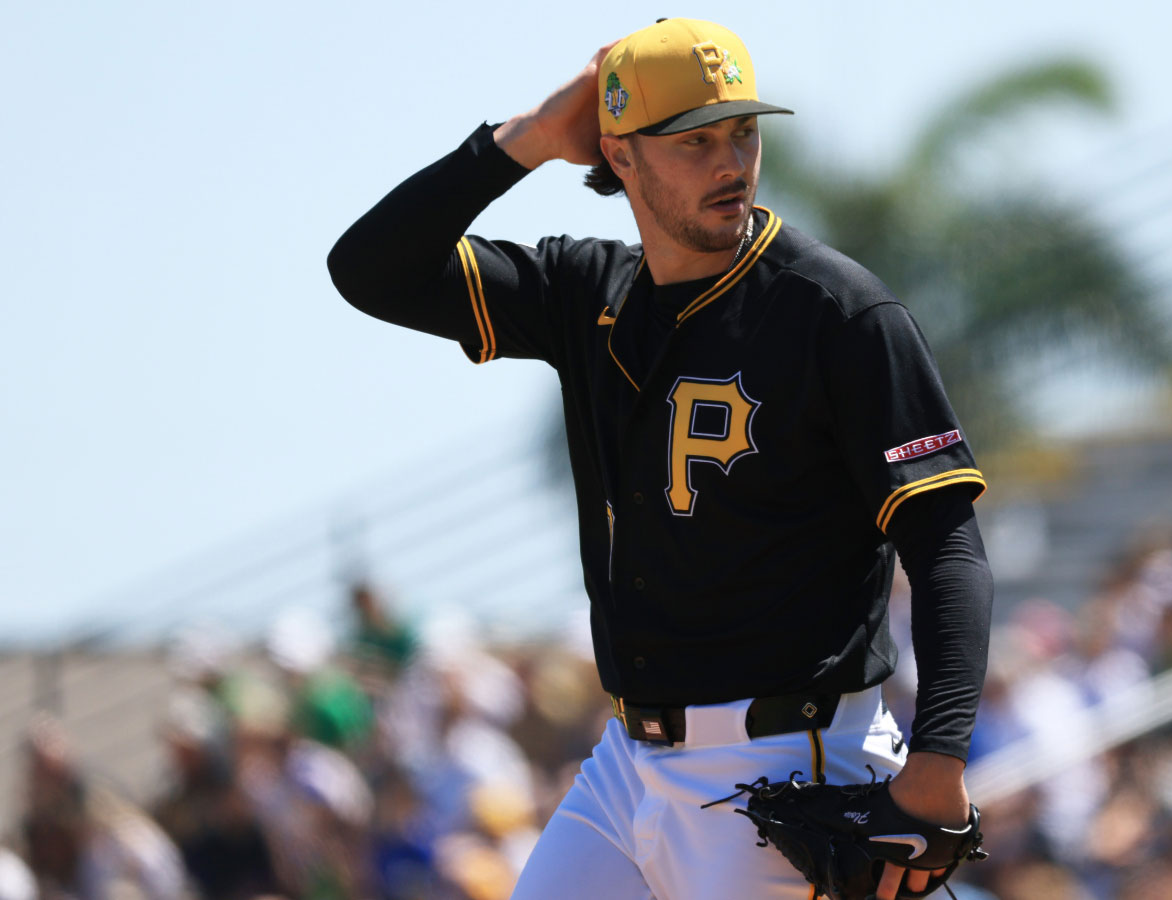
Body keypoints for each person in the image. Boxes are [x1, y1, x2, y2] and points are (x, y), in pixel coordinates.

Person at [327, 18, 993, 900]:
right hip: (627, 763)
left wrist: (940, 761)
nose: (731, 163)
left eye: (743, 131)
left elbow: (947, 545)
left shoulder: (837, 312)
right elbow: (370, 269)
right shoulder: (588, 295)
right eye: (694, 140)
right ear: (620, 155)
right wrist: (523, 141)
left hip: (790, 762)